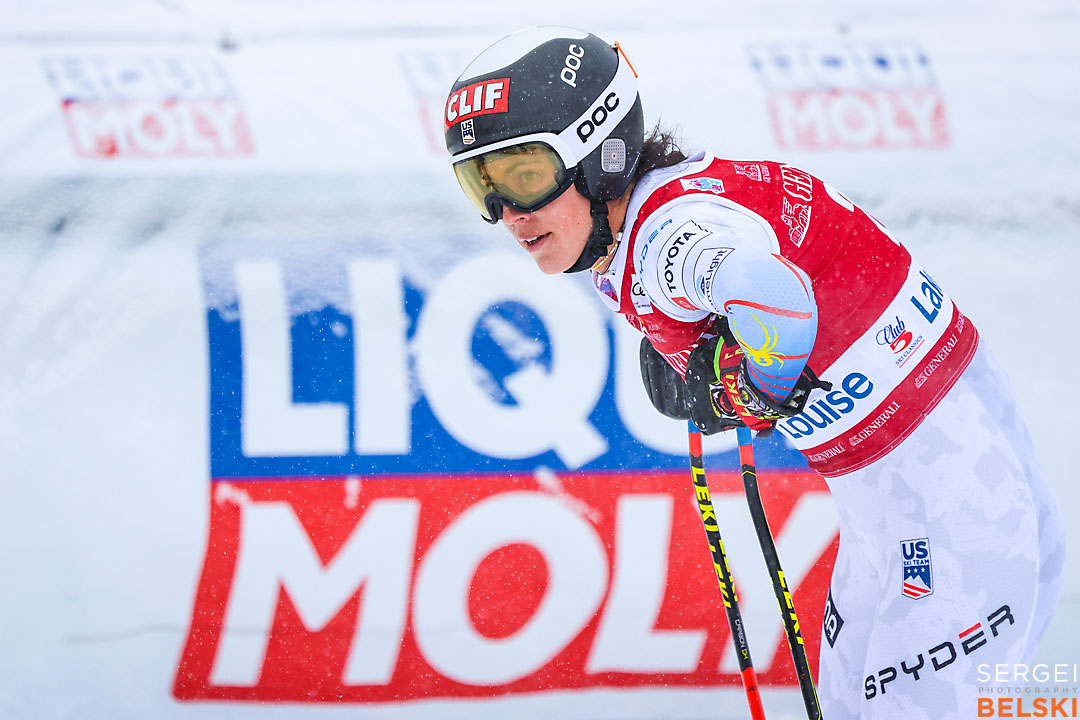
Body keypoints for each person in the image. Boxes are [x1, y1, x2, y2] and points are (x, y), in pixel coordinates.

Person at [443, 26, 1064, 719]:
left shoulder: (665, 239)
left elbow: (777, 302)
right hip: (918, 494)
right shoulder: (658, 214)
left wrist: (746, 388)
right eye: (482, 185)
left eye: (524, 175)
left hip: (953, 514)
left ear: (602, 155)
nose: (507, 214)